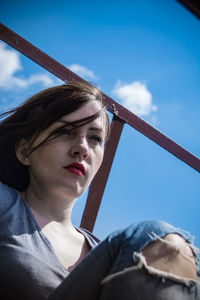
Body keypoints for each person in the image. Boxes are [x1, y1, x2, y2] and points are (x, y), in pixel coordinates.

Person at [0, 80, 199, 300]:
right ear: (25, 151)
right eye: (65, 131)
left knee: (172, 249)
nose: (82, 148)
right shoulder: (7, 206)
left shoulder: (105, 254)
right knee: (155, 236)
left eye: (95, 138)